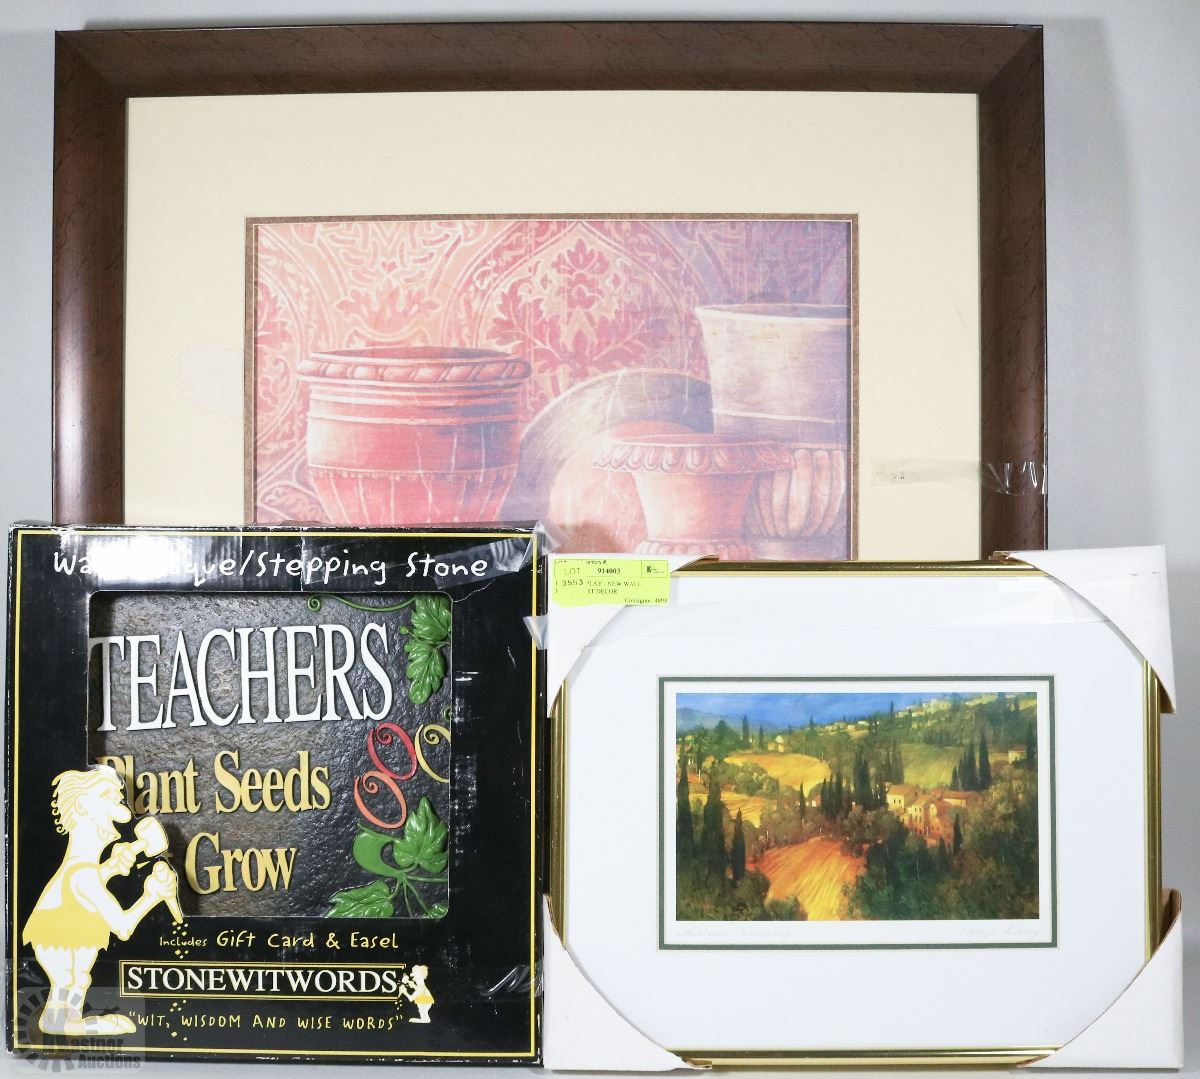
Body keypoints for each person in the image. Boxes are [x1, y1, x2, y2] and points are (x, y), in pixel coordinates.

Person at [21, 766, 178, 1036]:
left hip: (67, 927)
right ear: (83, 806)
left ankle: (67, 1020)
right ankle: (65, 1023)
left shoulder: (82, 870)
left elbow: (85, 888)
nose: (123, 810)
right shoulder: (83, 874)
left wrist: (111, 868)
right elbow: (123, 927)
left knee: (79, 978)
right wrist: (152, 895)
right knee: (70, 977)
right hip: (57, 936)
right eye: (111, 797)